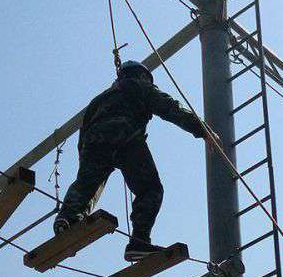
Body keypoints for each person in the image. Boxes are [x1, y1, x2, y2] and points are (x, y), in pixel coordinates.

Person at [54, 60, 219, 261]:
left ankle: (67, 218)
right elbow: (169, 108)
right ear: (141, 76)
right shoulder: (139, 86)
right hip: (126, 137)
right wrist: (203, 130)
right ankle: (139, 241)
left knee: (86, 185)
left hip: (94, 142)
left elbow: (84, 134)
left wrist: (86, 162)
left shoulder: (99, 99)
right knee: (150, 189)